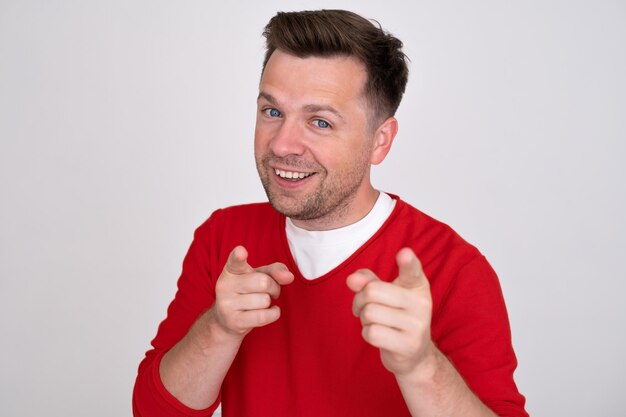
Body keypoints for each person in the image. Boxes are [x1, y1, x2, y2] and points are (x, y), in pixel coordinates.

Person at [133, 9, 528, 417]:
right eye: (272, 112)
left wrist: (421, 367)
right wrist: (219, 328)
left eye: (319, 122)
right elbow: (153, 411)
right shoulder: (224, 238)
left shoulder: (455, 269)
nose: (284, 144)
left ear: (380, 140)